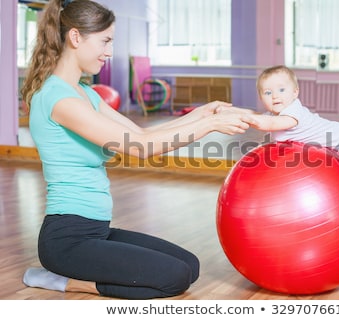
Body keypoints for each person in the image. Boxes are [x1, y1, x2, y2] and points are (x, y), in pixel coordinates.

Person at [20, 0, 253, 300]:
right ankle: (63, 281)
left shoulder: (86, 94)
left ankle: (73, 273)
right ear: (75, 37)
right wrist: (210, 126)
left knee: (189, 265)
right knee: (175, 278)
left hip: (97, 231)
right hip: (67, 240)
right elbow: (140, 148)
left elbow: (139, 133)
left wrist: (203, 113)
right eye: (104, 41)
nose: (109, 52)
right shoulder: (59, 100)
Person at [217, 65, 339, 219]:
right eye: (267, 93)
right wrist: (229, 112)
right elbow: (256, 114)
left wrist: (247, 119)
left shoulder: (293, 112)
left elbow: (269, 123)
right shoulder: (274, 112)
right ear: (261, 97)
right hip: (337, 146)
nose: (275, 96)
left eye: (281, 89)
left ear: (295, 92)